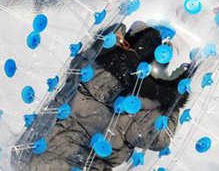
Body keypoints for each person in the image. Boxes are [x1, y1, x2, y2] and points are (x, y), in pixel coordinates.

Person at [17, 22, 191, 170]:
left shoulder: (89, 68)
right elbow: (157, 138)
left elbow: (97, 45)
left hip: (29, 151)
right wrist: (174, 103)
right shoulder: (142, 105)